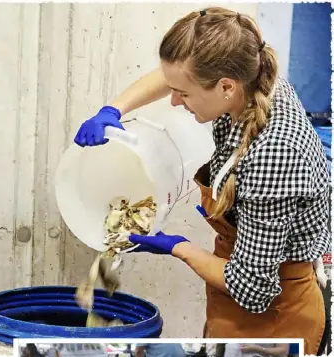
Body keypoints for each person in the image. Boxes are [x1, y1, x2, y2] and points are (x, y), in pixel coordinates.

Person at [72, 7, 328, 356]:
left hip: (273, 319)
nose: (174, 101)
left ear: (226, 86)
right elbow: (174, 77)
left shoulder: (273, 155)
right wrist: (114, 109)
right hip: (233, 292)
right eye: (175, 90)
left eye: (184, 94)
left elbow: (252, 288)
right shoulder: (253, 81)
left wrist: (177, 246)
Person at [223, 343, 289, 357]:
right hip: (241, 351)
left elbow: (283, 351)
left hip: (267, 353)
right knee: (231, 346)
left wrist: (257, 349)